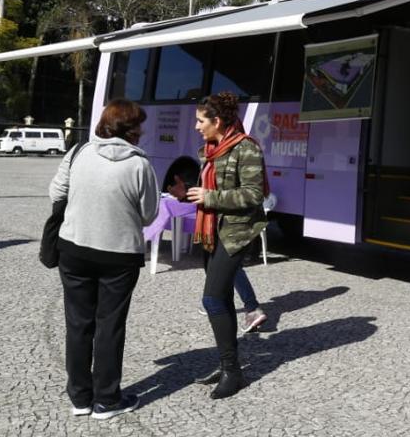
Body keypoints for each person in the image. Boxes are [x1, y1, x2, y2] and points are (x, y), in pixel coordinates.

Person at [48, 99, 158, 420]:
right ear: (130, 129)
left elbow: (56, 193)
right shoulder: (140, 164)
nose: (143, 130)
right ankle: (107, 400)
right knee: (109, 325)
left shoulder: (78, 153)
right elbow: (150, 214)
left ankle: (80, 398)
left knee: (78, 324)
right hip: (119, 256)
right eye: (139, 124)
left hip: (74, 249)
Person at [172, 92, 268, 400]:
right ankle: (228, 363)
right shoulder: (210, 150)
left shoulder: (246, 148)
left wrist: (210, 198)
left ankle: (233, 372)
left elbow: (254, 195)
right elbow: (212, 188)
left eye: (201, 121)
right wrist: (186, 193)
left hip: (235, 233)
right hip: (212, 230)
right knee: (223, 297)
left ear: (218, 121)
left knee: (211, 299)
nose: (196, 126)